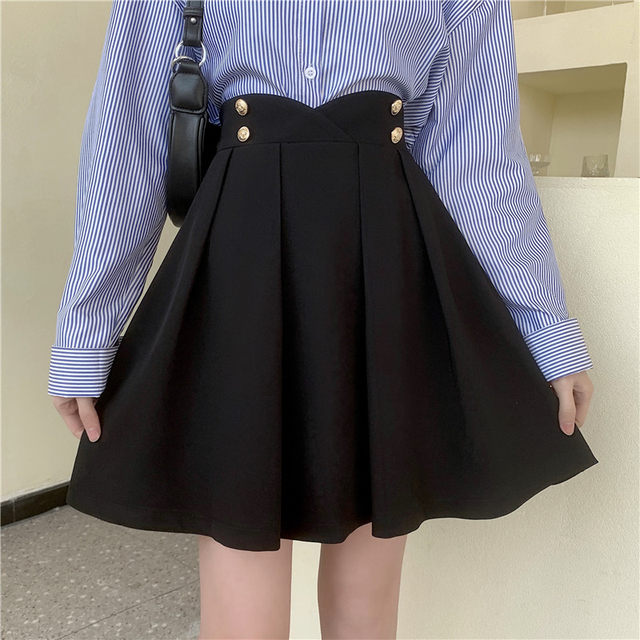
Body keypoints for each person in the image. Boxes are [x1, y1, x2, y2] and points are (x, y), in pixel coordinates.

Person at [48, 0, 598, 637]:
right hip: (242, 271)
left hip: (384, 271)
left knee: (367, 599)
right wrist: (87, 333)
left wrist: (546, 331)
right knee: (242, 590)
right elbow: (128, 139)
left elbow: (478, 161)